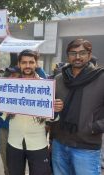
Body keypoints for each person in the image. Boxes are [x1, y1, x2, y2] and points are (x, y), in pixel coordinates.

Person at [51, 38, 104, 175]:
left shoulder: (101, 78)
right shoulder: (59, 79)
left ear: (89, 55)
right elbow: (49, 109)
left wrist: (94, 127)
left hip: (86, 146)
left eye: (82, 53)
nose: (77, 57)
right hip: (60, 143)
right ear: (68, 56)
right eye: (73, 53)